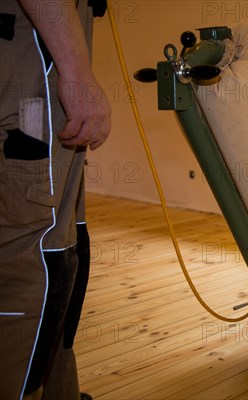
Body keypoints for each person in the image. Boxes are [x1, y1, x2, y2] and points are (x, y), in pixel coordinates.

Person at [0, 0, 111, 399]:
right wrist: (77, 73)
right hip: (29, 49)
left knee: (67, 241)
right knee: (33, 252)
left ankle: (58, 390)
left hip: (46, 41)